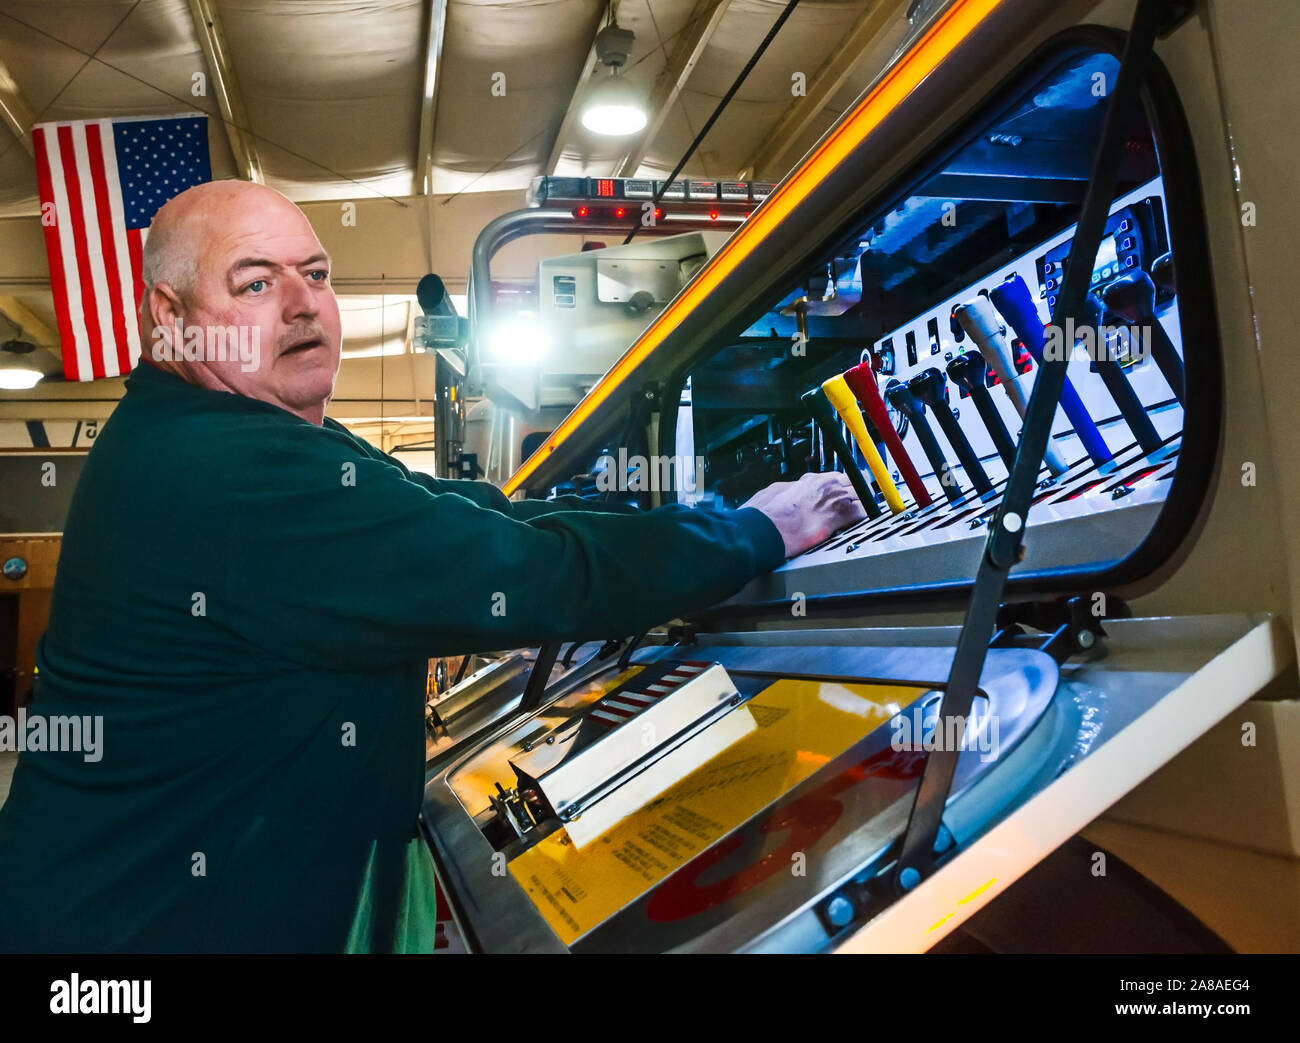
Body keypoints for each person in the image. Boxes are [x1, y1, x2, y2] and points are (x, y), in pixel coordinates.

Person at [0, 181, 864, 953]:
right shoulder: (220, 470)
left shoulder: (248, 434)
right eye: (256, 283)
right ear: (171, 314)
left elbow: (480, 519)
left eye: (319, 273)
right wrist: (754, 534)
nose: (304, 305)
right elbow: (519, 568)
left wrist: (691, 522)